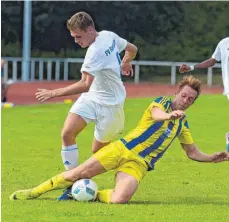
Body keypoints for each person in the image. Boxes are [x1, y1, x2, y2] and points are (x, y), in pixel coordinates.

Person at [10, 75, 229, 203]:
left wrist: (212, 158)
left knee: (119, 199)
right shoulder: (161, 103)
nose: (186, 101)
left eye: (191, 100)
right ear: (176, 92)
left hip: (138, 164)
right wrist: (170, 114)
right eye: (184, 96)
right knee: (77, 173)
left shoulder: (182, 124)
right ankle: (33, 192)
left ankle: (88, 195)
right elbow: (156, 116)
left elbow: (191, 152)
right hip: (122, 149)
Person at [35, 12, 138, 200]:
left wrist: (53, 93)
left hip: (111, 106)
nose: (76, 41)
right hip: (91, 98)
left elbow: (84, 83)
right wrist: (126, 61)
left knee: (98, 153)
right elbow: (132, 48)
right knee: (67, 133)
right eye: (73, 37)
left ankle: (131, 163)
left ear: (90, 29)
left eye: (78, 36)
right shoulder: (109, 35)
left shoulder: (95, 51)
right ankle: (71, 182)